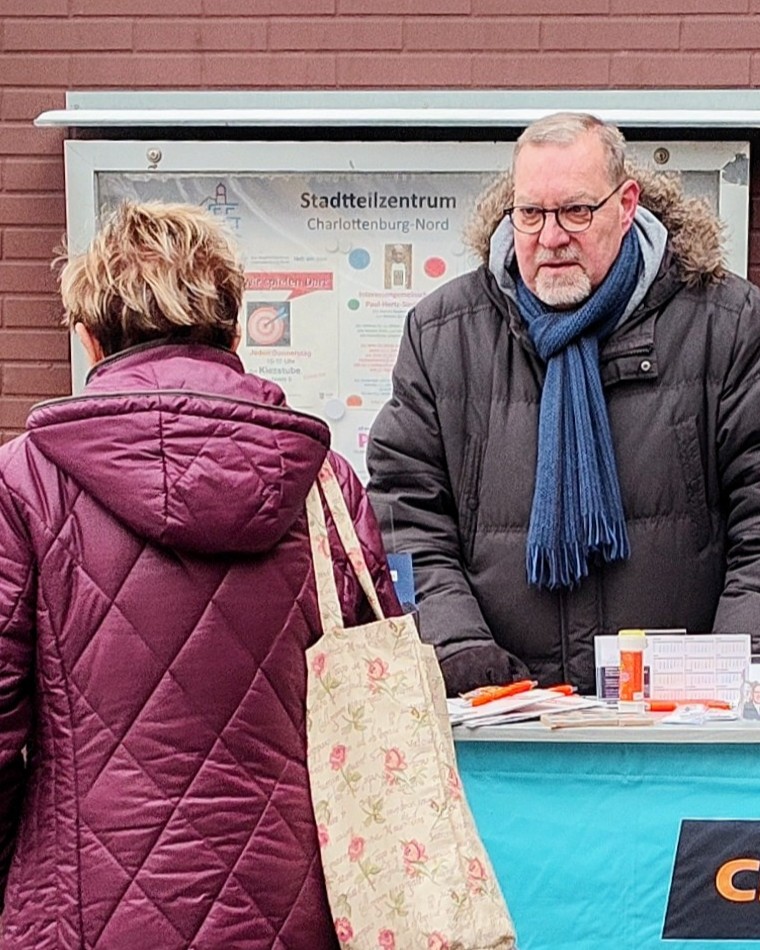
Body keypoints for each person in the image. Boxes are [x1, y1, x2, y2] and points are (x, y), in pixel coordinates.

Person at [0, 201, 401, 949]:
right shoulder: (325, 487)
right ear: (235, 332)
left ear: (89, 339)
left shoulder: (25, 483)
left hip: (84, 913)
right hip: (294, 908)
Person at [367, 111, 760, 698]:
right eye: (530, 214)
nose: (550, 237)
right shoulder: (442, 334)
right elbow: (405, 515)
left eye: (576, 211)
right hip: (502, 720)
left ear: (625, 205)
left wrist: (734, 675)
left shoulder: (727, 325)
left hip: (679, 725)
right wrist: (458, 649)